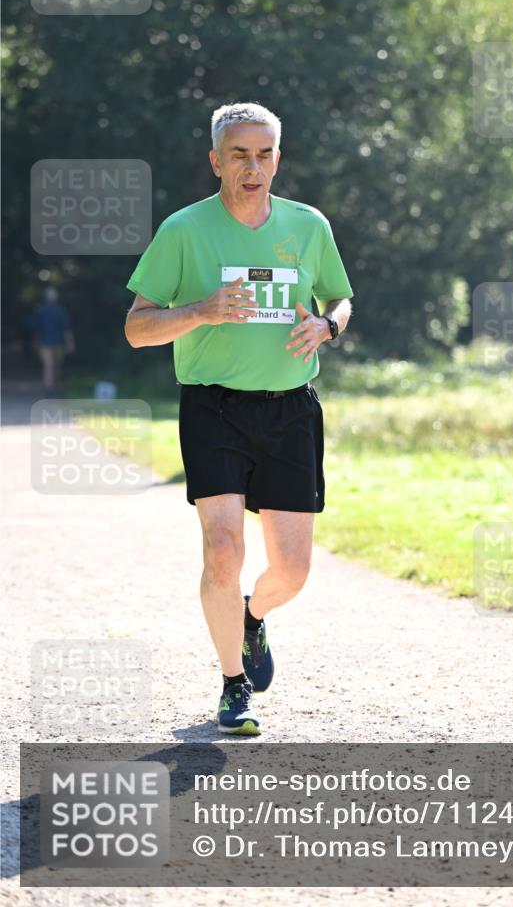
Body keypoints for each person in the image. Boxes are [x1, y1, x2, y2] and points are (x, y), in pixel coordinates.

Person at [124, 102, 353, 735]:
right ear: (216, 160)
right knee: (223, 549)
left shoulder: (308, 226)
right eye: (239, 155)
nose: (252, 167)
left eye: (264, 154)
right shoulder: (183, 230)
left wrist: (327, 324)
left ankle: (251, 616)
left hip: (291, 410)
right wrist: (201, 309)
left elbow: (340, 296)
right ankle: (233, 685)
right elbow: (137, 328)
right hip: (213, 406)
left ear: (278, 158)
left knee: (293, 572)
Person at [31, 286, 75, 396]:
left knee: (47, 367)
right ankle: (56, 389)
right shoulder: (61, 310)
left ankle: (48, 389)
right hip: (59, 343)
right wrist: (70, 343)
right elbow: (66, 329)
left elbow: (37, 328)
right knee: (57, 366)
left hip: (45, 343)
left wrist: (35, 342)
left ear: (46, 298)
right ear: (56, 297)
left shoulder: (41, 310)